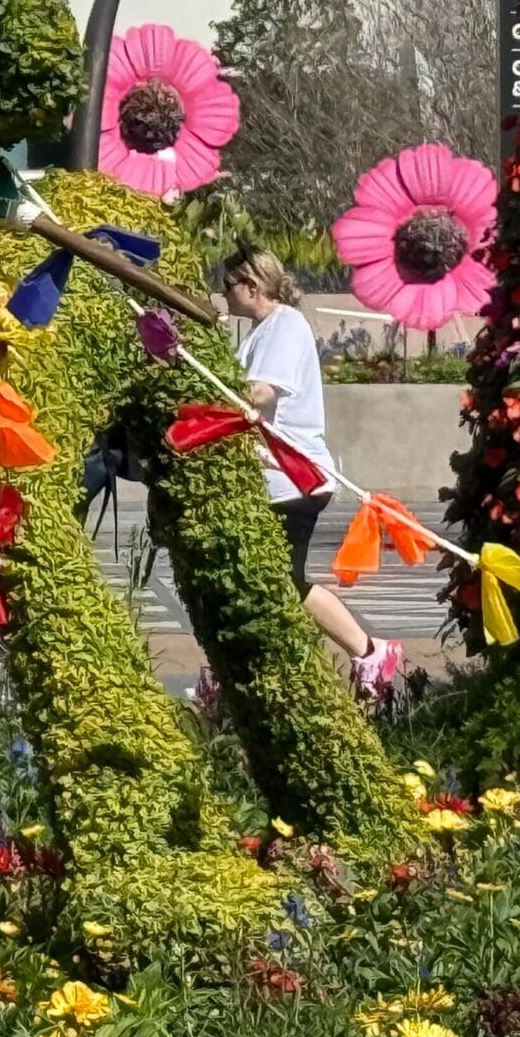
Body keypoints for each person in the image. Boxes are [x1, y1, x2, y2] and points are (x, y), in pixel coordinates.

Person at [220, 242, 403, 696]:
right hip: (273, 481)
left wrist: (215, 387)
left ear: (251, 285)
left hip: (293, 479)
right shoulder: (262, 330)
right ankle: (347, 657)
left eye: (227, 285)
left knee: (281, 582)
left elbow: (263, 392)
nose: (222, 295)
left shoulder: (286, 326)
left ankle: (369, 652)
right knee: (274, 580)